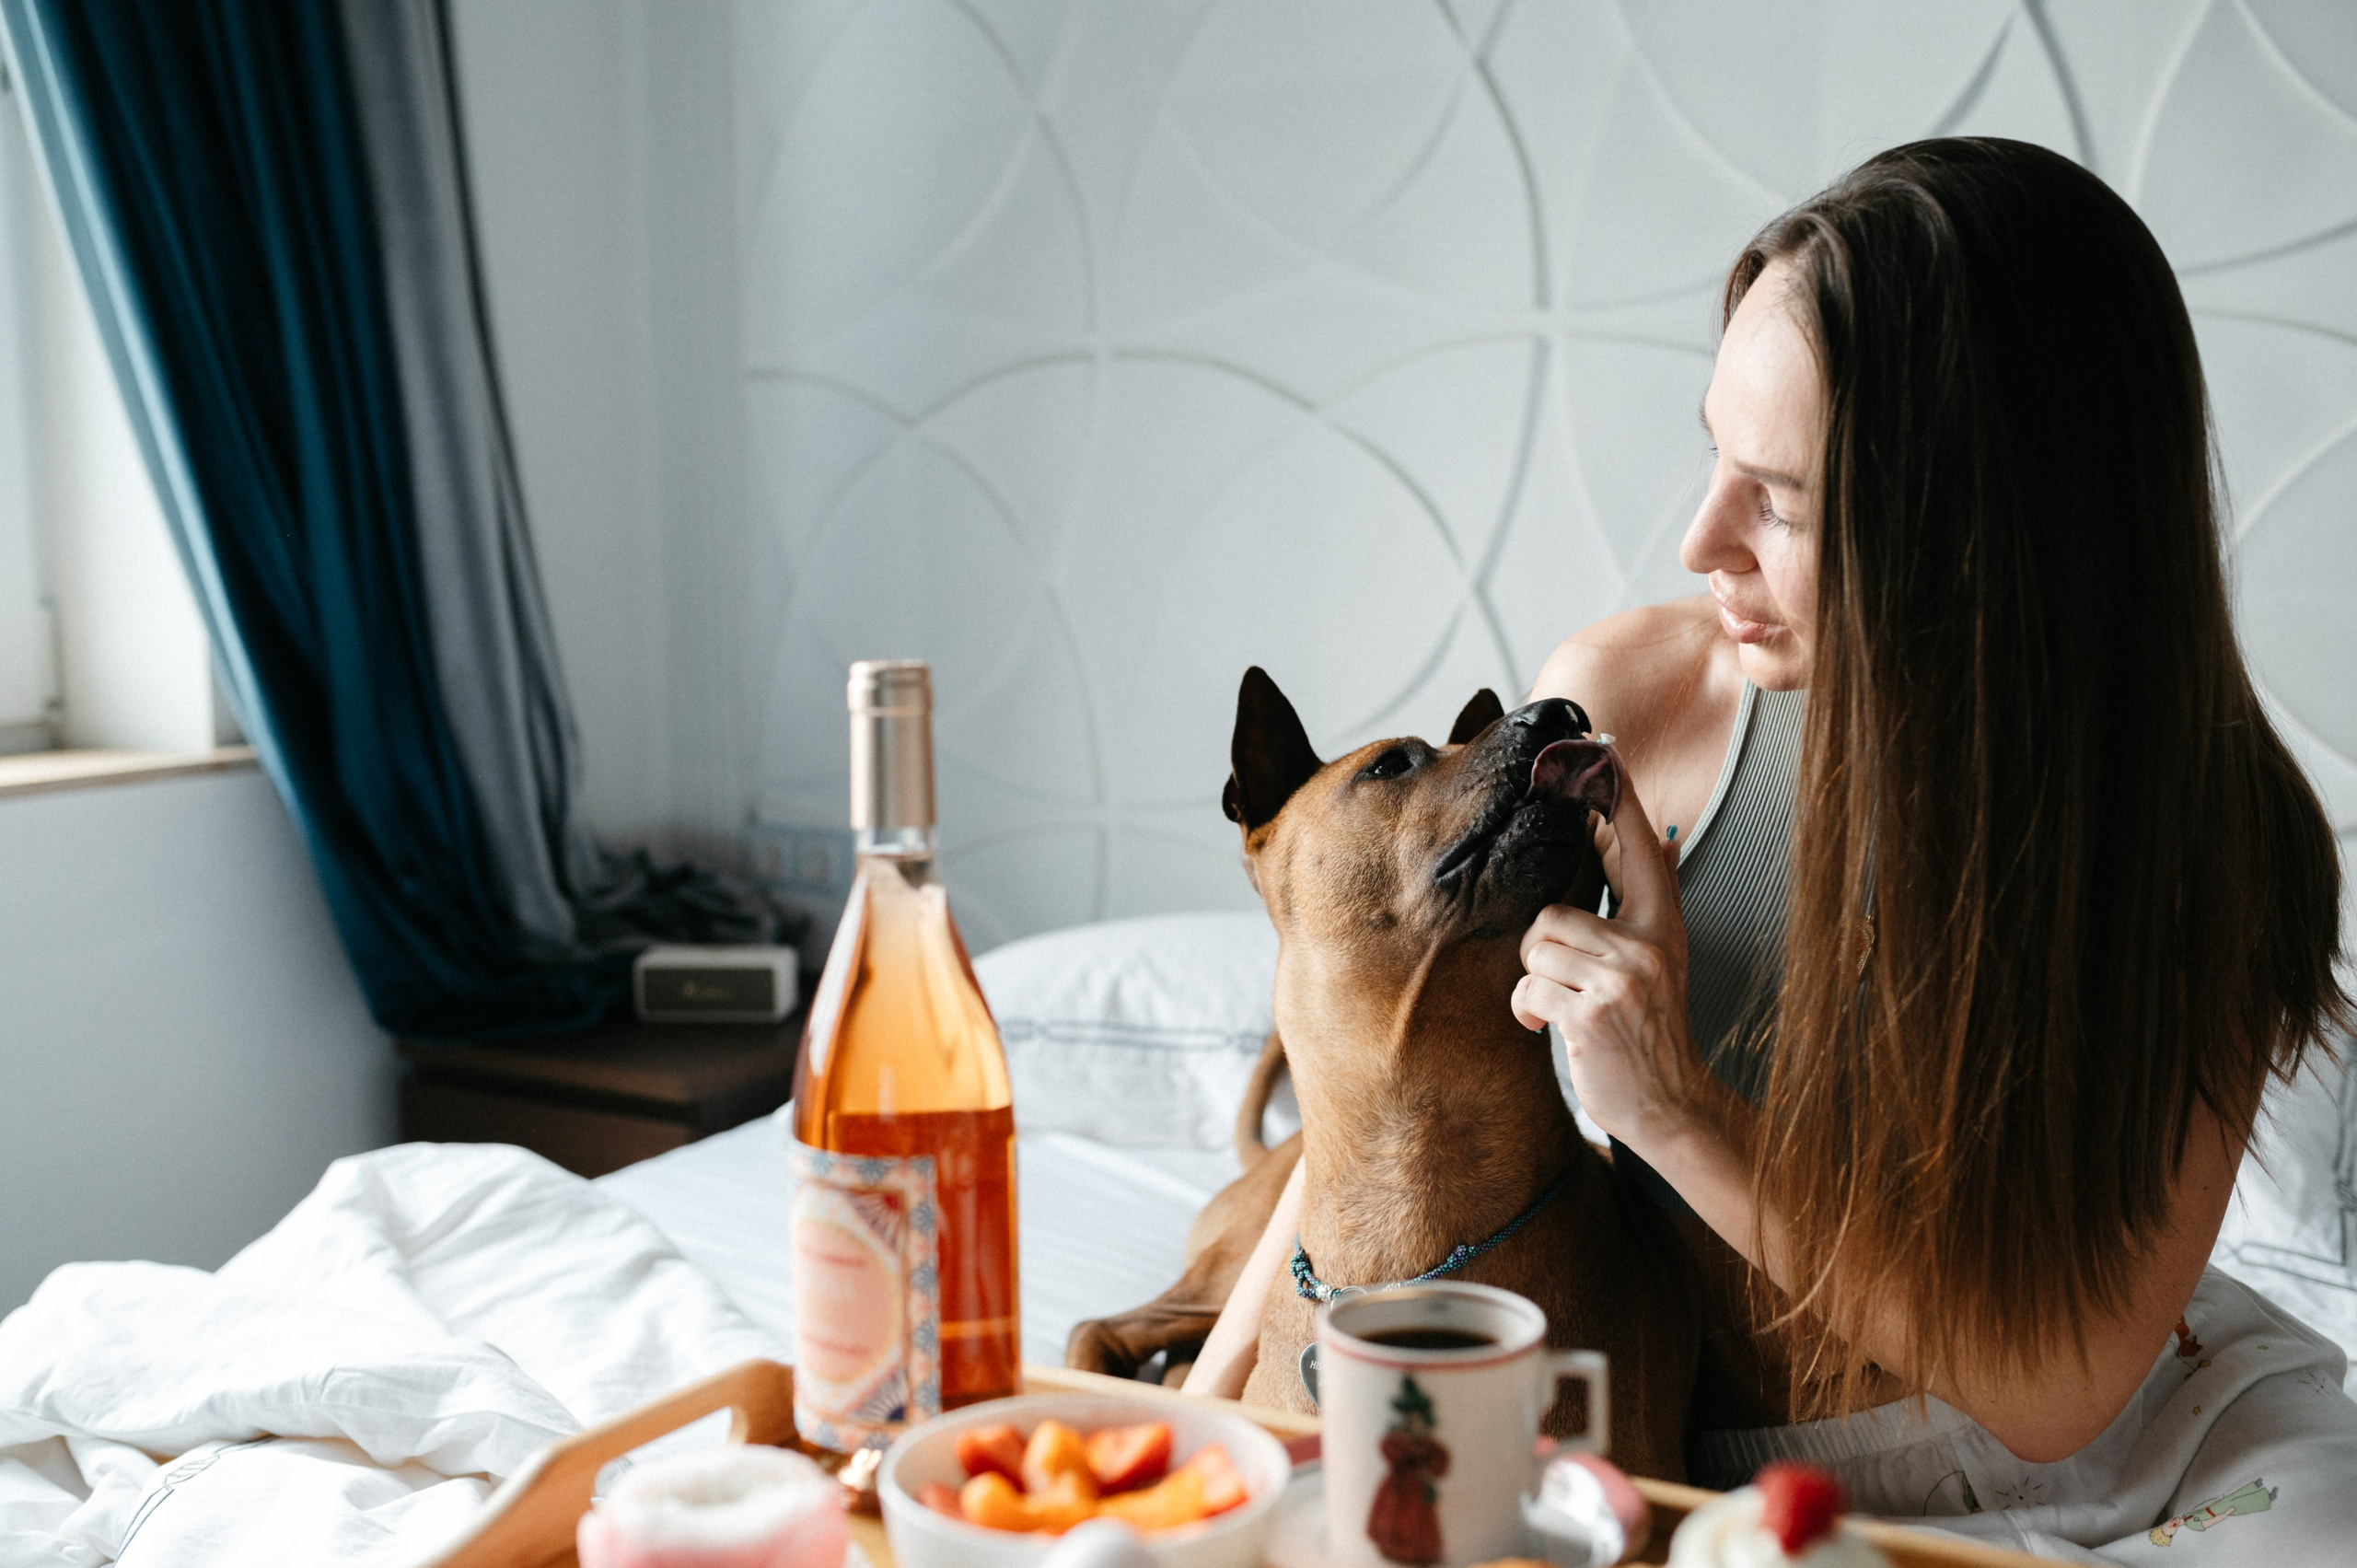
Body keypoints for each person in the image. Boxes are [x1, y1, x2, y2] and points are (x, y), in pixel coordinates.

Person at [1193, 139, 2357, 1561]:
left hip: (2151, 1452)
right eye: (1716, 453)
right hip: (1734, 1484)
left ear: (1985, 541)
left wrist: (1678, 1112)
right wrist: (1191, 1430)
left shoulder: (2207, 845)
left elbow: (2059, 1392)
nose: (1701, 542)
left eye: (1786, 499)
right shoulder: (1629, 714)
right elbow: (1384, 1083)